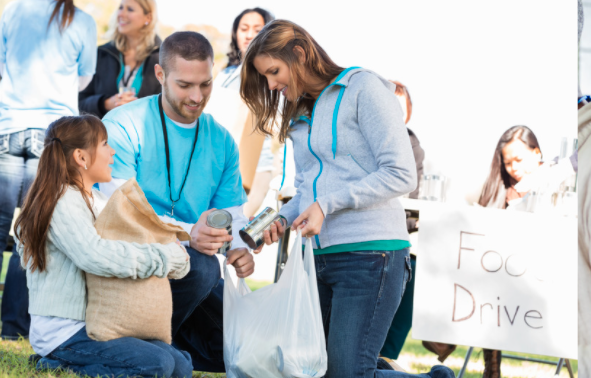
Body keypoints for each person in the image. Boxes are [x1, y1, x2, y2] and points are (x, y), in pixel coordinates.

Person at [240, 19, 454, 378]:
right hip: (318, 258)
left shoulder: (363, 88)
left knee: (346, 372)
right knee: (314, 369)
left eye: (274, 72)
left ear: (300, 53)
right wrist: (280, 218)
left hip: (371, 254)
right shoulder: (299, 115)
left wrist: (328, 204)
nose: (272, 85)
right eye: (265, 78)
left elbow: (402, 173)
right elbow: (308, 187)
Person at [99, 31, 279, 373]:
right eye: (184, 85)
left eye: (206, 84)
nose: (197, 97)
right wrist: (187, 234)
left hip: (189, 271)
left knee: (248, 347)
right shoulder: (123, 124)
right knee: (201, 266)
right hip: (132, 261)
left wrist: (237, 247)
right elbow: (116, 211)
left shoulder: (222, 140)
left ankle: (160, 345)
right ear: (160, 75)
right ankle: (139, 346)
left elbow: (232, 215)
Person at [16, 115, 192, 377]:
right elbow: (94, 255)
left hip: (101, 323)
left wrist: (175, 249)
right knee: (157, 364)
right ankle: (55, 363)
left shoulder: (99, 200)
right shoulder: (61, 201)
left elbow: (146, 233)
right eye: (105, 145)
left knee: (180, 366)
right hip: (65, 331)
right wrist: (165, 257)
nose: (113, 152)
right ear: (81, 157)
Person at [0, 0, 97, 340]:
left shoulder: (12, 11)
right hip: (51, 134)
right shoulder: (81, 20)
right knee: (32, 229)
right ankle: (12, 328)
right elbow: (84, 78)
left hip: (8, 127)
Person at [476, 125, 542, 378]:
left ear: (537, 153)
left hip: (542, 276)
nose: (513, 167)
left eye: (519, 160)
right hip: (509, 277)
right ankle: (491, 368)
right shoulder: (504, 189)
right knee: (490, 292)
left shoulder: (557, 179)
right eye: (507, 163)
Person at [214, 7, 276, 218]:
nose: (249, 35)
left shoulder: (269, 71)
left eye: (257, 29)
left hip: (255, 167)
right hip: (220, 166)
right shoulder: (224, 74)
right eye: (244, 28)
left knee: (235, 228)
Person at [380, 81, 427, 361]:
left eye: (401, 106)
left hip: (399, 230)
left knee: (415, 270)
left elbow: (412, 194)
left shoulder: (412, 145)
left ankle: (386, 358)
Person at [79, 0, 161, 118]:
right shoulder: (101, 54)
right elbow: (80, 102)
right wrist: (105, 103)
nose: (121, 14)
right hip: (103, 134)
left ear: (148, 17)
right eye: (121, 8)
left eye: (130, 9)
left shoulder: (162, 58)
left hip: (145, 135)